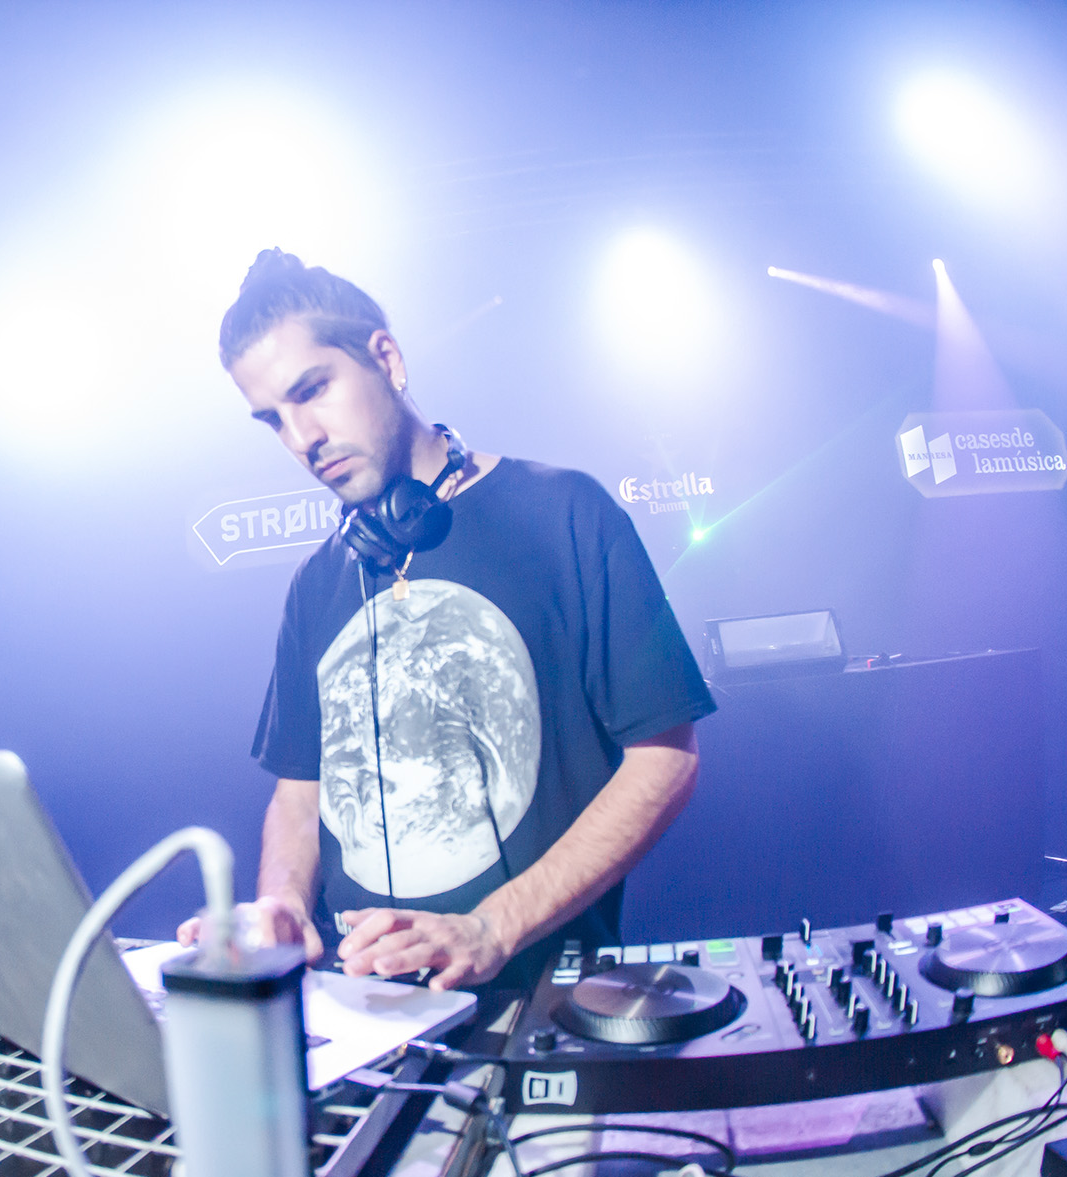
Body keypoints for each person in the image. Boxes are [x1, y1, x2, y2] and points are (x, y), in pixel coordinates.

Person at [180, 249, 715, 991]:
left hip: (537, 1004)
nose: (302, 438)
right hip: (360, 1010)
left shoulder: (565, 515)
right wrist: (284, 904)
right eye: (274, 419)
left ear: (387, 359)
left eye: (313, 390)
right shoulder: (317, 582)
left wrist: (492, 927)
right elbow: (300, 796)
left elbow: (665, 759)